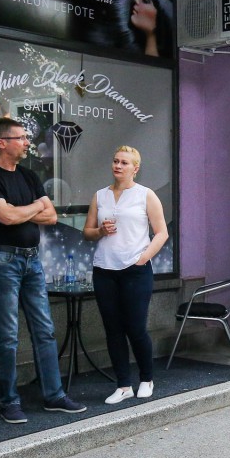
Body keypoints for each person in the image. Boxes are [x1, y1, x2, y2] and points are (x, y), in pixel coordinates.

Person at [0, 117, 86, 423]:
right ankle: (9, 401)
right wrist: (34, 208)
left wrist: (22, 210)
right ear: (2, 143)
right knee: (7, 334)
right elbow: (6, 218)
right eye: (21, 138)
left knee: (44, 330)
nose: (27, 143)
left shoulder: (28, 175)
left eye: (26, 137)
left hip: (32, 260)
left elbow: (51, 217)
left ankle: (54, 395)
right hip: (3, 261)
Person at [83, 146, 169, 404]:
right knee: (113, 329)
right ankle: (123, 385)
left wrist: (143, 258)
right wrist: (100, 231)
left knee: (135, 327)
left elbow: (161, 232)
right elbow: (87, 232)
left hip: (135, 270)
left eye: (124, 162)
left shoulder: (146, 195)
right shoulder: (100, 195)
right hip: (104, 270)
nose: (118, 166)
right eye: (115, 161)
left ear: (135, 168)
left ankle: (146, 379)